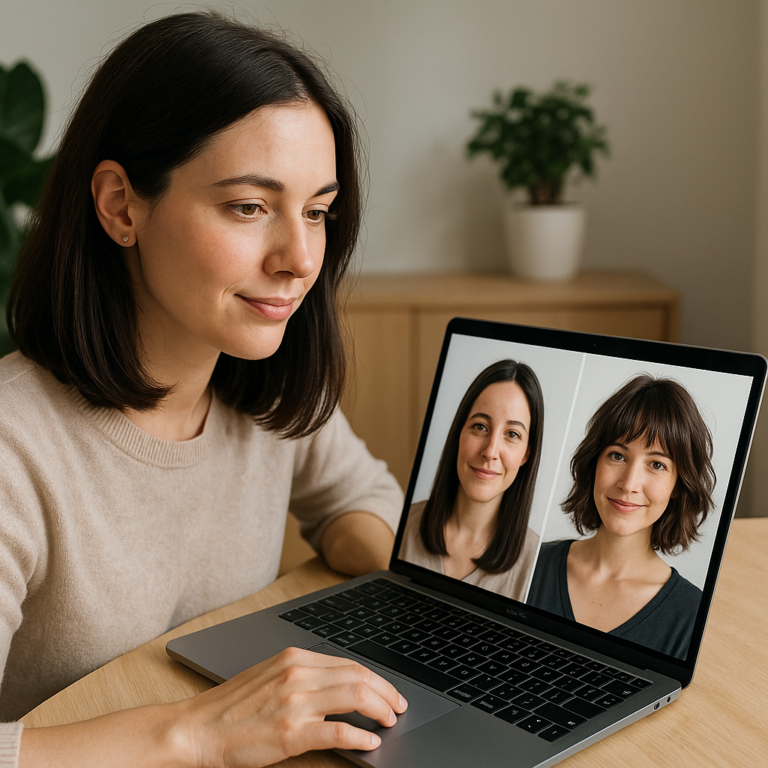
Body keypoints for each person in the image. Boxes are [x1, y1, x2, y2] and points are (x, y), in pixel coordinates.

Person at [0, 12, 410, 768]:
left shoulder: (260, 385)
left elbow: (366, 502)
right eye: (249, 207)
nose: (298, 259)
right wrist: (198, 733)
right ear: (122, 206)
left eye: (317, 211)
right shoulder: (13, 445)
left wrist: (387, 557)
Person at [527, 374, 716, 660]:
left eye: (656, 464)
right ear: (594, 464)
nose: (629, 483)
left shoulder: (691, 616)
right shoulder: (528, 567)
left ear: (678, 484)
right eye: (618, 456)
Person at [399, 359, 544, 601]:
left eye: (512, 434)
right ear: (459, 433)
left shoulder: (539, 564)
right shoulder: (401, 525)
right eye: (480, 426)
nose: (490, 451)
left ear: (526, 454)